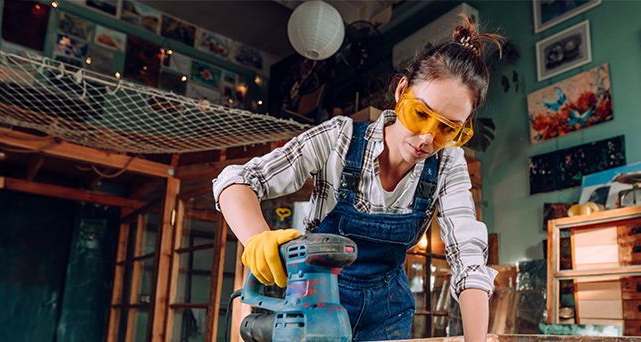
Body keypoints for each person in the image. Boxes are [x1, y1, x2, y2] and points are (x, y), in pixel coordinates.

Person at [214, 17, 501, 342]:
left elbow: (468, 257)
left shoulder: (447, 161)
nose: (426, 138)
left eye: (447, 129)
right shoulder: (340, 138)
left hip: (388, 317)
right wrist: (256, 238)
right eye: (420, 114)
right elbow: (235, 182)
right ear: (402, 91)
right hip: (315, 307)